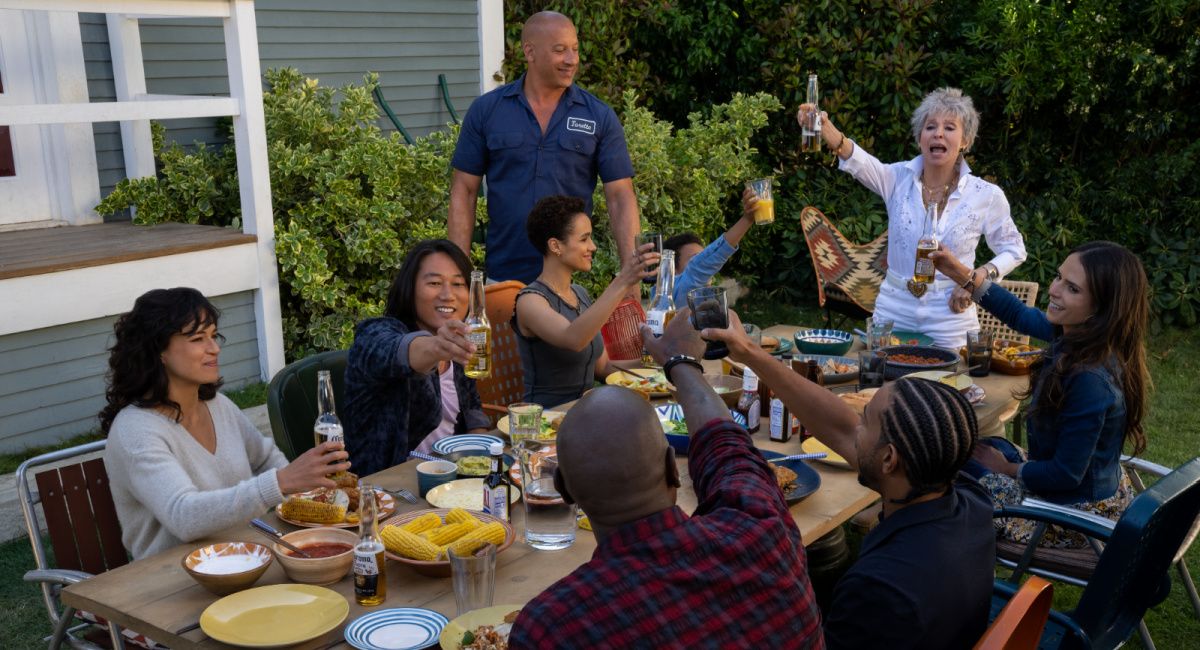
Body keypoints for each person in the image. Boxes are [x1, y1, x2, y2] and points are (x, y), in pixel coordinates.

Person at [508, 309, 824, 649]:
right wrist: (681, 362)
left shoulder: (552, 628)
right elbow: (727, 447)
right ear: (674, 468)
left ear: (564, 491)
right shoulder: (762, 531)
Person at [701, 311, 995, 649]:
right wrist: (750, 352)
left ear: (889, 459)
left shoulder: (880, 591)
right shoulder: (969, 503)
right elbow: (841, 428)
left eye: (865, 420)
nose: (854, 424)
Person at [101, 288, 350, 560]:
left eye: (213, 335)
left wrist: (302, 495)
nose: (215, 348)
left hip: (245, 556)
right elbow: (183, 516)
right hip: (172, 581)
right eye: (198, 338)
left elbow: (266, 457)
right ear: (158, 350)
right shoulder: (135, 431)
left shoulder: (217, 405)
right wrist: (280, 482)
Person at [931, 241, 1150, 546]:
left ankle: (935, 555)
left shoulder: (1089, 379)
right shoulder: (1083, 339)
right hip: (1080, 490)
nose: (1055, 290)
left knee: (946, 462)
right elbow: (1018, 315)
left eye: (1072, 288)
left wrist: (1006, 469)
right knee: (974, 445)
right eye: (1059, 277)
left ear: (1101, 308)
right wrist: (959, 272)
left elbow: (1065, 475)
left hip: (1072, 515)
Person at [799, 87, 1027, 348]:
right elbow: (857, 159)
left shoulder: (986, 195)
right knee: (882, 383)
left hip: (951, 318)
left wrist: (975, 279)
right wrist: (824, 126)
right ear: (920, 137)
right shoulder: (896, 178)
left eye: (950, 127)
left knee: (950, 385)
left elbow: (1014, 249)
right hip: (894, 310)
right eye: (930, 127)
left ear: (965, 141)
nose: (938, 133)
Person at [448, 10, 639, 285]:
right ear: (530, 51)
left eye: (575, 49)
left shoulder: (598, 115)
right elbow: (463, 192)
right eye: (560, 50)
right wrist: (458, 276)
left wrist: (629, 277)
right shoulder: (487, 111)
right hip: (504, 280)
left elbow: (621, 197)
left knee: (571, 331)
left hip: (571, 283)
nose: (572, 60)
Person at [342, 240, 491, 475]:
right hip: (389, 489)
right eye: (434, 283)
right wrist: (436, 347)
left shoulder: (458, 340)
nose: (447, 295)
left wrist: (481, 459)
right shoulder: (375, 334)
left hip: (451, 478)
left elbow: (471, 407)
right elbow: (391, 350)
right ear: (409, 288)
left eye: (458, 284)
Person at [513, 195, 657, 407]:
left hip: (586, 412)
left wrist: (656, 360)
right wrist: (623, 280)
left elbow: (603, 367)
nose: (593, 247)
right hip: (546, 419)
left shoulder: (579, 293)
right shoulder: (530, 301)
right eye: (584, 239)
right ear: (555, 246)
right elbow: (573, 339)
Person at [660, 187, 760, 305]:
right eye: (695, 259)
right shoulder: (671, 293)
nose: (703, 264)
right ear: (672, 271)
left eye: (702, 257)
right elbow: (699, 267)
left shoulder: (707, 302)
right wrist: (747, 219)